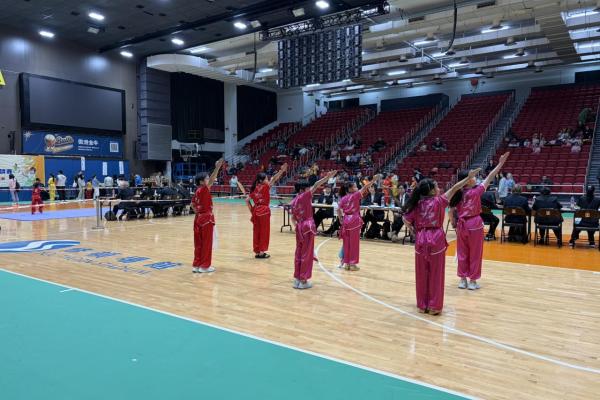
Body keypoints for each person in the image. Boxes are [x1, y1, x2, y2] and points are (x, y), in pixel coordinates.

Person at [403, 169, 481, 315]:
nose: (439, 188)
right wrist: (468, 178)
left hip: (421, 238)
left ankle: (422, 305)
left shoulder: (417, 204)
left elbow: (405, 219)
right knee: (436, 273)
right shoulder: (439, 201)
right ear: (432, 191)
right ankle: (434, 306)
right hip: (436, 238)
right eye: (437, 186)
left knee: (422, 273)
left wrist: (413, 230)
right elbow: (455, 187)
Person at [449, 152, 509, 290]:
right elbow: (490, 176)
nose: (476, 178)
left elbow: (451, 210)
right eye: (473, 177)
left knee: (462, 252)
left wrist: (453, 223)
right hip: (474, 224)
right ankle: (473, 281)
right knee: (475, 253)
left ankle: (462, 280)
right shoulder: (476, 191)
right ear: (468, 180)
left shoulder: (457, 193)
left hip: (461, 225)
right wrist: (500, 164)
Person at [291, 170, 337, 289]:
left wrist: (298, 227)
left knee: (299, 253)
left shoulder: (294, 201)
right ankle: (303, 281)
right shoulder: (305, 196)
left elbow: (293, 219)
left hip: (299, 227)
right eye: (307, 188)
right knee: (307, 254)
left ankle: (297, 278)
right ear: (302, 190)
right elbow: (316, 185)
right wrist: (327, 177)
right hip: (307, 226)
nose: (309, 189)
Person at [338, 174, 381, 271]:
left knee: (347, 243)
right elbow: (365, 187)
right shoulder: (355, 195)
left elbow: (338, 209)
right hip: (354, 220)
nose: (357, 188)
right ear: (350, 189)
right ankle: (352, 264)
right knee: (354, 243)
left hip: (346, 221)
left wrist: (340, 219)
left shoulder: (343, 198)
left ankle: (347, 264)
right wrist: (373, 180)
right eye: (355, 186)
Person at [246, 163, 288, 259]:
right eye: (266, 179)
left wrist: (252, 211)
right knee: (264, 232)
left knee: (256, 232)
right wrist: (281, 171)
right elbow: (274, 178)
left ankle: (257, 251)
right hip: (264, 212)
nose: (268, 180)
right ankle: (262, 252)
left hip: (256, 212)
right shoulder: (265, 186)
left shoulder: (254, 189)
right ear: (261, 180)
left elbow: (247, 200)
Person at [191, 158, 224, 273]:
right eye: (206, 178)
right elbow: (213, 179)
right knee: (206, 243)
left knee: (198, 243)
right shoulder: (204, 189)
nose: (208, 180)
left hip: (198, 219)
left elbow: (192, 205)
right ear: (201, 181)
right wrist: (217, 167)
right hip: (206, 219)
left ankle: (196, 265)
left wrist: (199, 213)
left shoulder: (197, 191)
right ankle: (204, 266)